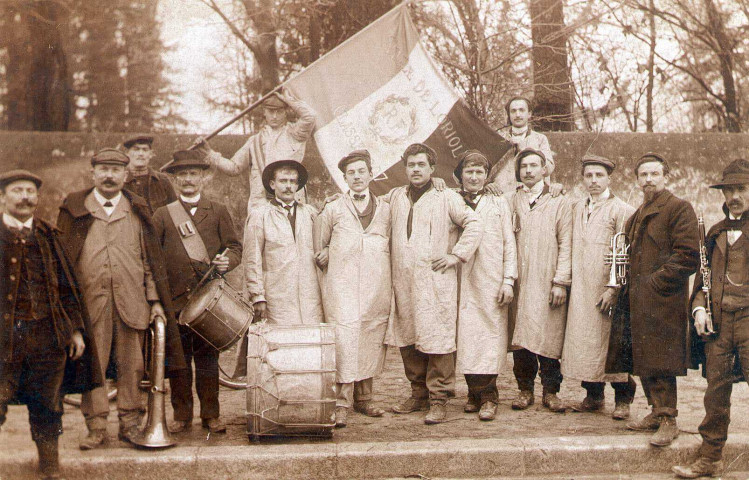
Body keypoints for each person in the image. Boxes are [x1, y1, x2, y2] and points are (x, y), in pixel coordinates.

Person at [57, 148, 186, 449]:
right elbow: (64, 263)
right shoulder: (75, 208)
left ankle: (129, 423)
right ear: (93, 173)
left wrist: (154, 300)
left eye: (116, 170)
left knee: (133, 365)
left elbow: (149, 260)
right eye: (103, 169)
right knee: (94, 365)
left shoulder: (137, 209)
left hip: (132, 302)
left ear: (126, 175)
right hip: (91, 306)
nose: (109, 175)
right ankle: (97, 426)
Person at [0, 170, 100, 480]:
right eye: (17, 190)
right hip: (3, 340)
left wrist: (75, 329)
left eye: (30, 191)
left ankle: (50, 469)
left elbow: (68, 289)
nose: (25, 197)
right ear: (3, 197)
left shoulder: (47, 235)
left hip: (46, 338)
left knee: (48, 404)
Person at [606, 152, 699, 447]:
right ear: (637, 180)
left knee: (661, 359)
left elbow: (688, 256)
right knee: (643, 358)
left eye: (654, 174)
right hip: (638, 299)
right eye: (643, 175)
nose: (648, 180)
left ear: (665, 177)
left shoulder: (678, 209)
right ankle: (655, 412)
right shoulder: (637, 214)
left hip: (662, 301)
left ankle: (669, 418)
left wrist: (654, 282)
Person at [388, 143, 483, 425]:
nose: (416, 170)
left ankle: (439, 398)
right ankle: (418, 394)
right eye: (411, 165)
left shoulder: (446, 196)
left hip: (435, 281)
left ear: (432, 169)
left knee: (438, 338)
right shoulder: (395, 197)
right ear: (405, 169)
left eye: (421, 165)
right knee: (408, 336)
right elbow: (365, 206)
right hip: (404, 280)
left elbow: (474, 223)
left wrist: (457, 255)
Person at [152, 150, 242, 435]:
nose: (188, 180)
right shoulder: (163, 215)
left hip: (208, 300)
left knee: (208, 361)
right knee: (178, 362)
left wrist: (227, 261)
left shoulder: (217, 210)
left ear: (203, 178)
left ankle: (211, 415)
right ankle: (181, 416)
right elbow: (153, 257)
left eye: (193, 174)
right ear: (175, 180)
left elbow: (235, 247)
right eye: (182, 175)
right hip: (175, 301)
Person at [673, 159, 749, 478]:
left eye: (741, 189)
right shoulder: (715, 233)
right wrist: (700, 309)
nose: (735, 196)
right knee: (715, 392)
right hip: (719, 326)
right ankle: (710, 458)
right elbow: (702, 282)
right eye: (729, 189)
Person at [314, 150, 391, 428]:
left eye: (361, 171)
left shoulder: (386, 207)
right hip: (342, 285)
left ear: (371, 174)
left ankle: (365, 398)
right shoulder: (333, 208)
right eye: (351, 173)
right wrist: (324, 251)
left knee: (370, 335)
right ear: (344, 178)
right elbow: (319, 243)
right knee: (344, 338)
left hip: (375, 285)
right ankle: (341, 402)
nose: (357, 177)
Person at [562, 155, 636, 420]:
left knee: (612, 344)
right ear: (582, 179)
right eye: (588, 176)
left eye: (599, 176)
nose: (593, 181)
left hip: (607, 290)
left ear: (609, 178)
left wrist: (613, 289)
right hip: (582, 288)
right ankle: (593, 395)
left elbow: (625, 254)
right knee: (585, 343)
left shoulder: (622, 209)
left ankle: (623, 398)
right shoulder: (577, 207)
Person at [506, 147, 572, 414]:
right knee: (521, 335)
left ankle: (551, 390)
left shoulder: (560, 201)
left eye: (535, 166)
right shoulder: (511, 200)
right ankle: (524, 389)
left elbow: (566, 242)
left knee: (549, 336)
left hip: (548, 278)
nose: (529, 171)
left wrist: (560, 281)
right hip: (521, 278)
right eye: (524, 167)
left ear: (545, 170)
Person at [453, 150, 517, 421]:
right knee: (467, 335)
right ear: (461, 175)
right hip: (461, 277)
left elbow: (508, 243)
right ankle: (472, 392)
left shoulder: (498, 202)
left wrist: (508, 280)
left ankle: (489, 395)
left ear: (487, 176)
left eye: (480, 172)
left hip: (491, 276)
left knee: (490, 336)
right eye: (469, 171)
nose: (475, 177)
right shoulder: (451, 200)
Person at [195, 89, 316, 208]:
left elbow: (310, 116)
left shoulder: (295, 134)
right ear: (264, 112)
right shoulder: (254, 141)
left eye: (279, 111)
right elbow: (234, 168)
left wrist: (289, 100)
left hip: (290, 202)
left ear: (286, 112)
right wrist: (209, 153)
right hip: (261, 205)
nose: (274, 116)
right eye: (270, 111)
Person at [243, 159, 323, 324]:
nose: (288, 186)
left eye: (292, 181)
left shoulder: (310, 213)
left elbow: (324, 244)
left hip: (310, 295)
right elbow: (252, 258)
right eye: (283, 181)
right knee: (280, 344)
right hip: (277, 297)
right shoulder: (260, 215)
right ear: (272, 184)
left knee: (310, 343)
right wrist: (257, 295)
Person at [488, 96, 555, 193]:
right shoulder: (499, 139)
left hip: (531, 195)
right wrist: (488, 184)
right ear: (509, 115)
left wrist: (525, 149)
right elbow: (487, 169)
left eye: (521, 110)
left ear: (529, 114)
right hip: (503, 194)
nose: (517, 114)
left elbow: (548, 169)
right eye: (513, 111)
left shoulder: (540, 139)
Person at [122, 135, 177, 215]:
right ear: (127, 153)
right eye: (136, 149)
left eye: (145, 150)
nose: (141, 154)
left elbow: (175, 213)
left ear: (151, 154)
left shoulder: (162, 180)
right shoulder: (120, 181)